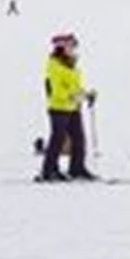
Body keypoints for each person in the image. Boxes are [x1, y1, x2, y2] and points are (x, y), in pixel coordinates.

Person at [37, 33, 98, 182]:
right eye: (71, 46)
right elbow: (57, 90)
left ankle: (77, 168)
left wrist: (86, 94)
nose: (73, 49)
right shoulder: (54, 66)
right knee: (57, 139)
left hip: (73, 108)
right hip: (59, 108)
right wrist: (73, 96)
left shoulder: (72, 65)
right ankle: (49, 170)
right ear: (62, 47)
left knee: (78, 139)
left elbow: (75, 87)